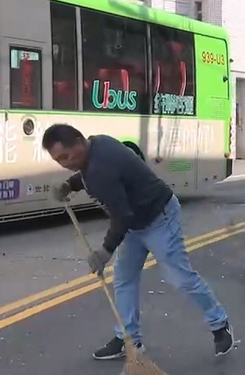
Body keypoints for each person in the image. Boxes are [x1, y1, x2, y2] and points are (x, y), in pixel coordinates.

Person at [41, 124, 234, 359]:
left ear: (79, 143)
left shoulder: (102, 167)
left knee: (181, 278)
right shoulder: (98, 144)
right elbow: (93, 178)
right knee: (124, 279)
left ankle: (219, 324)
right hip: (134, 223)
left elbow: (121, 215)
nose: (64, 163)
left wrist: (105, 251)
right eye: (58, 160)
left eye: (66, 156)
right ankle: (129, 339)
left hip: (159, 218)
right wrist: (70, 185)